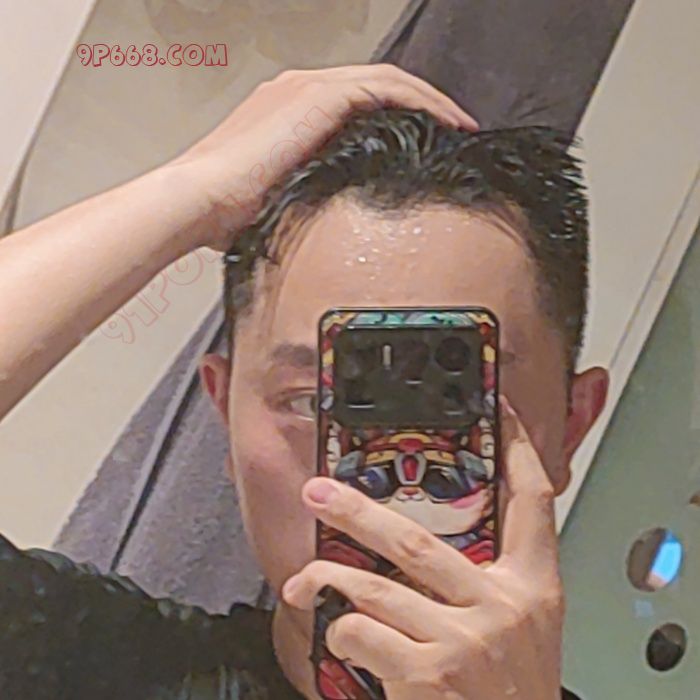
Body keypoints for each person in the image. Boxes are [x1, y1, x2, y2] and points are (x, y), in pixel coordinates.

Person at [0, 65, 608, 699]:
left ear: (570, 427)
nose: (382, 469)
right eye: (314, 401)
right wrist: (193, 189)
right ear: (225, 412)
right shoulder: (92, 671)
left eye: (452, 397)